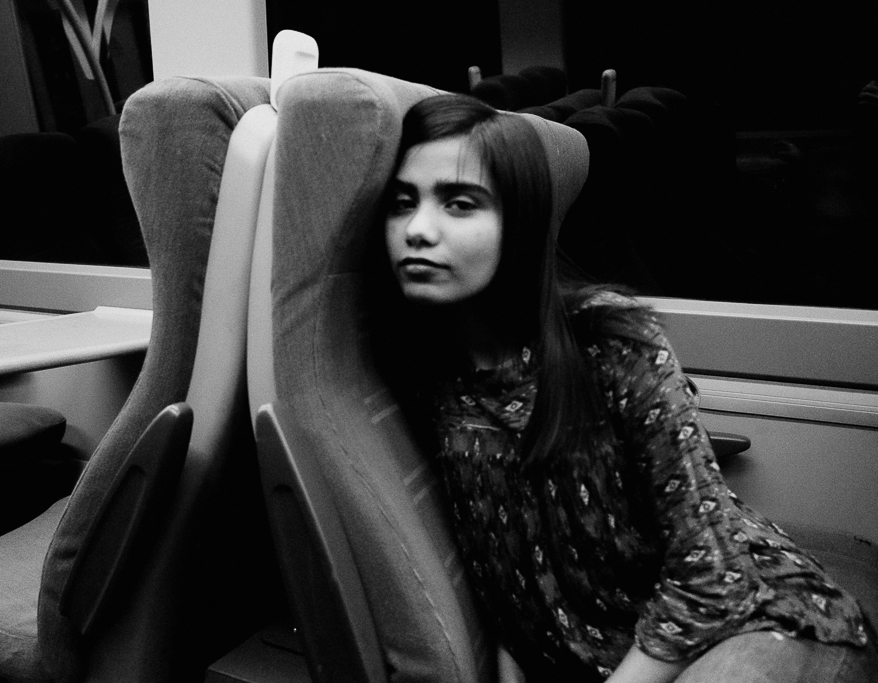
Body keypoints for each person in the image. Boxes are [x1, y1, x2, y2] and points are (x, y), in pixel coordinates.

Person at [371, 93, 878, 682]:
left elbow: (709, 572)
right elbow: (504, 570)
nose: (418, 229)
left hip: (757, 612)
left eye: (460, 203)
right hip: (615, 646)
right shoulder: (421, 376)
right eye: (402, 202)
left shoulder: (609, 342)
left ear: (522, 223)